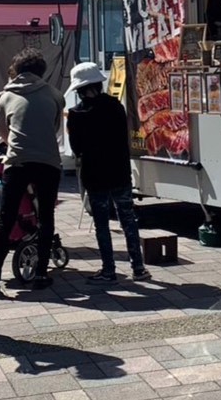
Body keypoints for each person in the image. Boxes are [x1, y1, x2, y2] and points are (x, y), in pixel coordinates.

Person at [0, 48, 65, 299]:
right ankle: (40, 273)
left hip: (17, 162)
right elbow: (54, 128)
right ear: (42, 71)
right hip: (48, 162)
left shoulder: (3, 96)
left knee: (5, 219)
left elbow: (1, 130)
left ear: (16, 71)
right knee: (46, 216)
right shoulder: (54, 94)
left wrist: (15, 144)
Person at [65, 62, 151, 283]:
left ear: (81, 90)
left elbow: (77, 149)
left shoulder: (76, 115)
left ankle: (109, 270)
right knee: (128, 220)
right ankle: (139, 268)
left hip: (95, 175)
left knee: (102, 224)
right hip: (119, 171)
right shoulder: (115, 107)